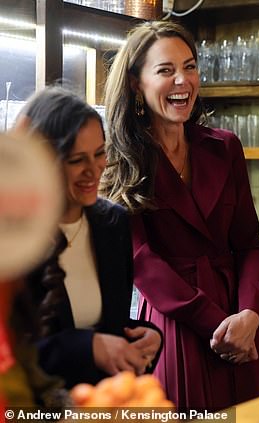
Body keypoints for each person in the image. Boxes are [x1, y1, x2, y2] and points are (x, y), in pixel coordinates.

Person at [100, 21, 259, 410]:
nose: (183, 80)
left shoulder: (225, 147)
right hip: (177, 327)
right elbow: (142, 263)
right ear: (134, 84)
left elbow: (250, 244)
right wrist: (218, 325)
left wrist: (249, 314)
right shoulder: (121, 160)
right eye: (165, 70)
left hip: (241, 322)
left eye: (190, 66)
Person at [15, 87, 162, 388]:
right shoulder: (15, 240)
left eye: (99, 153)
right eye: (76, 160)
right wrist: (87, 347)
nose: (93, 170)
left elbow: (110, 324)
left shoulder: (113, 224)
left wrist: (146, 336)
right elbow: (12, 357)